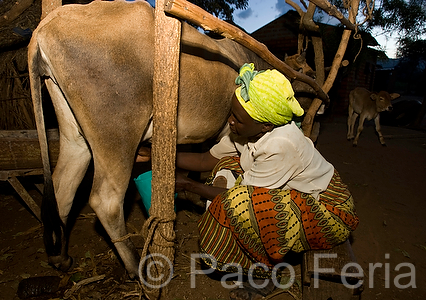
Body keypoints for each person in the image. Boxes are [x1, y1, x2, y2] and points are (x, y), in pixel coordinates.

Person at [139, 63, 359, 300]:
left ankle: (268, 274)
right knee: (227, 164)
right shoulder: (247, 131)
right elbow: (206, 159)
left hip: (329, 212)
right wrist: (158, 155)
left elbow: (248, 195)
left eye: (238, 119)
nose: (231, 122)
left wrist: (189, 186)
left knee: (242, 203)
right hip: (298, 195)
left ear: (265, 124)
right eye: (232, 113)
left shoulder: (281, 145)